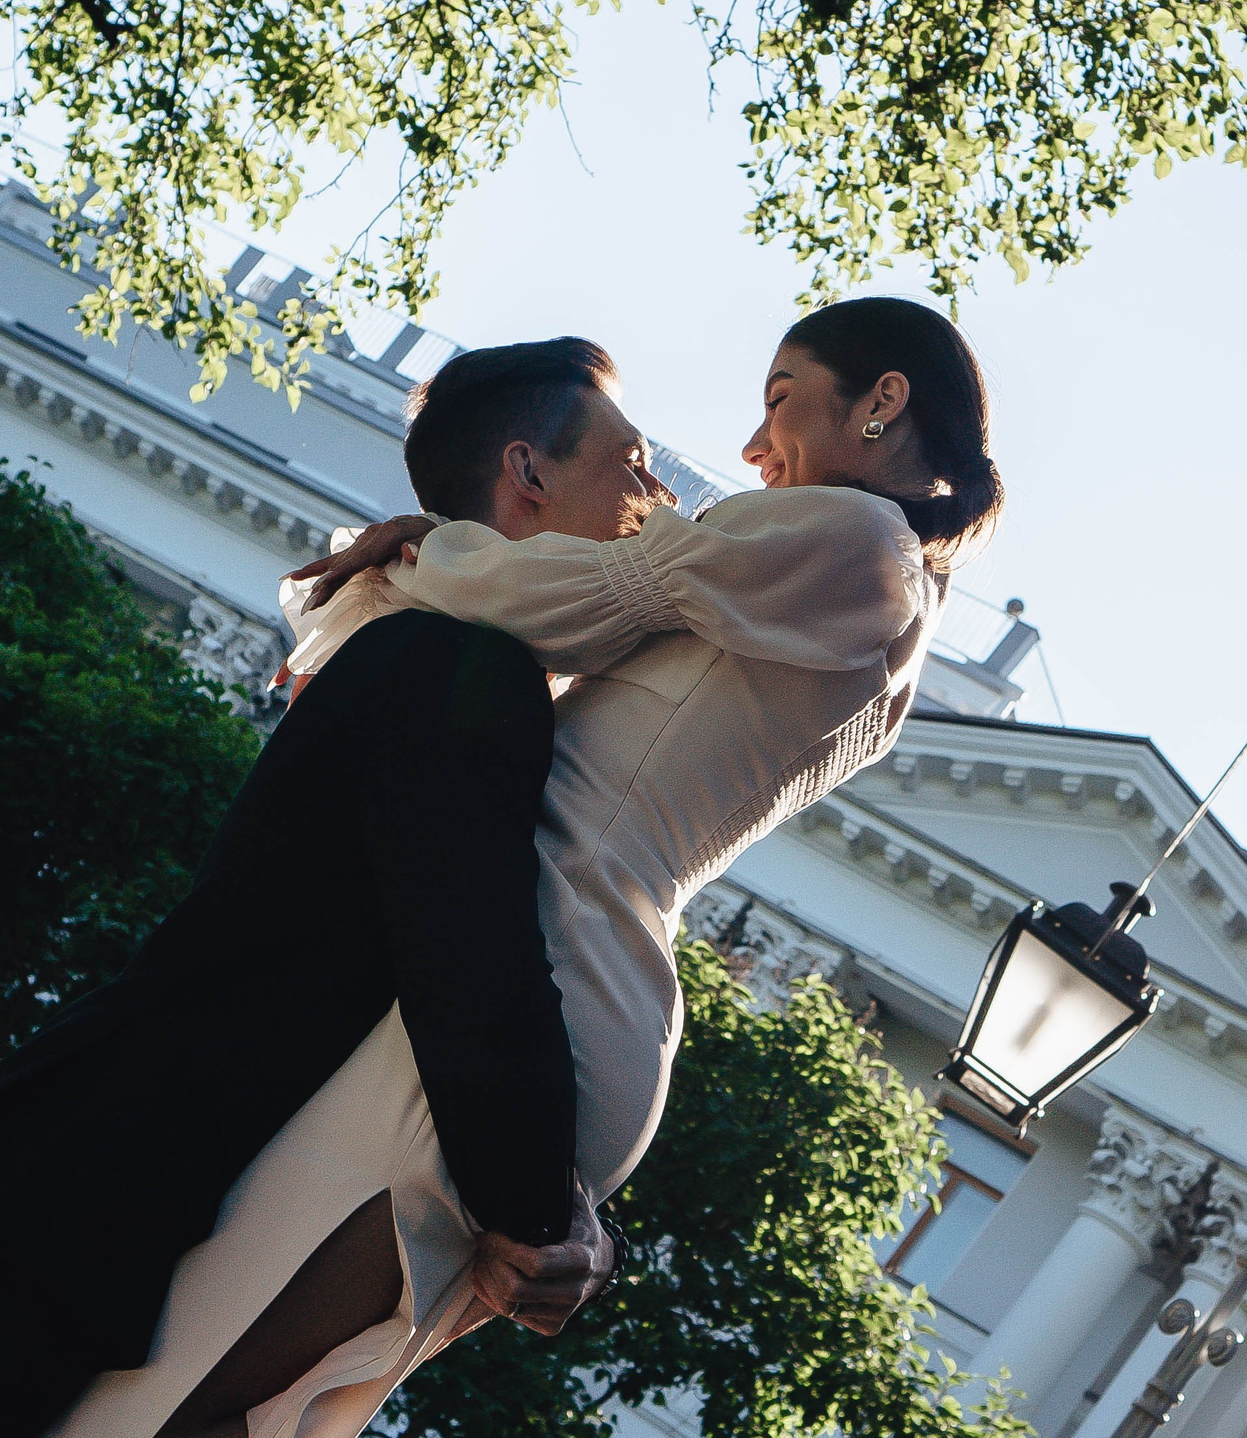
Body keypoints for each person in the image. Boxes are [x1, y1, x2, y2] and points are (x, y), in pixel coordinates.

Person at [65, 295, 1006, 1438]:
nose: (753, 447)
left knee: (194, 1385)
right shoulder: (832, 568)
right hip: (550, 983)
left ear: (884, 401)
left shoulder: (856, 542)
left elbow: (559, 594)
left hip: (538, 989)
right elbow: (558, 623)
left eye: (778, 401)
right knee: (239, 1402)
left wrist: (418, 547)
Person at [0, 339, 644, 1438]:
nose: (658, 497)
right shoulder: (459, 664)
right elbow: (473, 971)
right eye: (632, 463)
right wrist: (549, 1222)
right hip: (91, 1198)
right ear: (528, 474)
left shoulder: (419, 645)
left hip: (90, 1187)